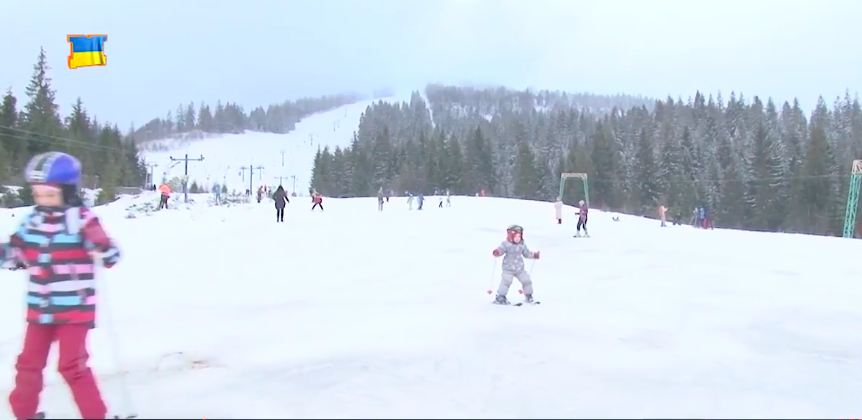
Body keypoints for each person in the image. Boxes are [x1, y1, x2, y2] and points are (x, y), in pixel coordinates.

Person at [1, 151, 121, 420]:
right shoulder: (33, 220)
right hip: (40, 309)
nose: (43, 201)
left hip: (74, 310)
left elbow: (112, 256)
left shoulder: (81, 219)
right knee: (28, 364)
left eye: (49, 194)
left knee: (72, 366)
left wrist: (100, 244)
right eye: (38, 194)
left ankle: (95, 416)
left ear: (66, 192)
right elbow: (16, 252)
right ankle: (25, 414)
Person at [491, 225, 540, 305]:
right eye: (515, 236)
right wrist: (497, 252)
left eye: (519, 236)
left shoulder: (522, 245)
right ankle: (500, 297)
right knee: (506, 281)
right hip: (508, 268)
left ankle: (528, 295)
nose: (518, 238)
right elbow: (501, 249)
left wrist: (534, 255)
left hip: (519, 268)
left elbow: (526, 253)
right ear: (510, 236)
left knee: (526, 280)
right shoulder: (506, 244)